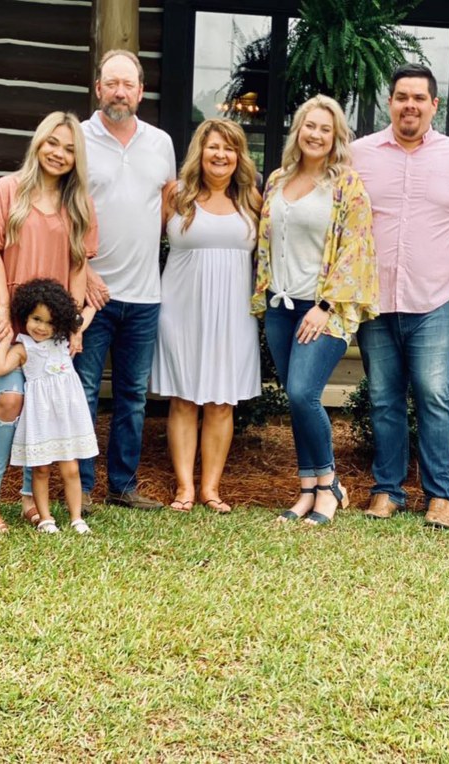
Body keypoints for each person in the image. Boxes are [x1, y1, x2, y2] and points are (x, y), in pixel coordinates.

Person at [350, 64, 449, 528]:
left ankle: (440, 495)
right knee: (383, 397)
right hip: (376, 301)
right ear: (390, 102)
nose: (410, 105)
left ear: (433, 105)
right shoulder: (358, 154)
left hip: (436, 299)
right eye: (402, 96)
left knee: (434, 395)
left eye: (419, 98)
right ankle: (387, 490)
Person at [252, 94, 379, 525]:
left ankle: (329, 486)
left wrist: (324, 305)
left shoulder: (346, 185)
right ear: (298, 129)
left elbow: (356, 249)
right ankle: (307, 489)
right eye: (311, 126)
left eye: (326, 129)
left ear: (337, 137)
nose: (317, 135)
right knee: (295, 399)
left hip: (323, 309)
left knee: (305, 393)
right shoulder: (276, 180)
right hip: (280, 306)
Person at [0, 111, 97, 533]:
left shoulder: (78, 204)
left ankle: (30, 496)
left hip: (48, 326)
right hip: (6, 318)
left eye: (69, 149)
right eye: (52, 143)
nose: (58, 154)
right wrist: (4, 308)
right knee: (10, 399)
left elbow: (79, 266)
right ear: (38, 143)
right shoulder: (7, 190)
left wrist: (72, 324)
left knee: (44, 403)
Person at [76, 50, 176, 514]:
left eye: (128, 84)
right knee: (84, 391)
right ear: (98, 88)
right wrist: (82, 268)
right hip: (90, 293)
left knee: (133, 397)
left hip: (144, 295)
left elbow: (167, 209)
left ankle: (123, 485)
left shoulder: (161, 143)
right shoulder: (76, 138)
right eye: (111, 83)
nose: (120, 91)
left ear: (141, 91)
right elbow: (62, 211)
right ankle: (82, 486)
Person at [150, 119, 262, 514]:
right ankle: (184, 488)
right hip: (180, 309)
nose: (221, 155)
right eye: (214, 147)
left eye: (229, 149)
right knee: (183, 399)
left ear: (239, 156)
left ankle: (211, 488)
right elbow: (146, 243)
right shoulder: (176, 195)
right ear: (201, 150)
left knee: (221, 402)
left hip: (233, 312)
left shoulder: (251, 199)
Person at [0, 279, 98, 534]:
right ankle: (46, 518)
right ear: (25, 315)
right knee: (40, 468)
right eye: (36, 319)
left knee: (71, 467)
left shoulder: (65, 342)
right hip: (40, 416)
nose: (41, 327)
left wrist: (80, 322)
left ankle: (76, 518)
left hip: (67, 415)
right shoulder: (23, 348)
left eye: (50, 322)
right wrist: (5, 339)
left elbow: (90, 309)